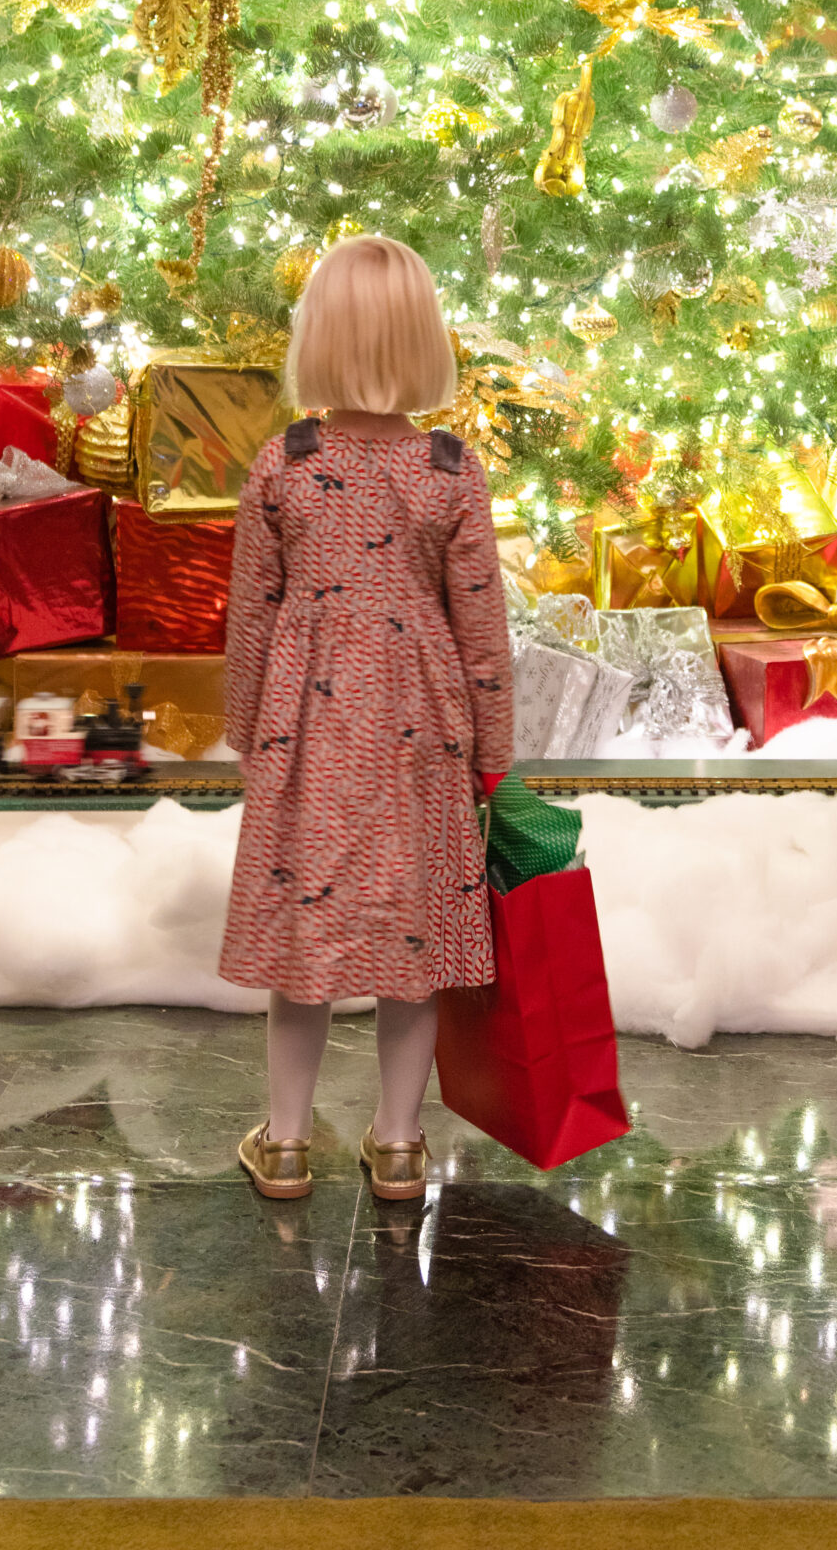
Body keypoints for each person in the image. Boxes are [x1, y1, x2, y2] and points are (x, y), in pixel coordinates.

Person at [220, 234, 514, 1203]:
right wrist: (493, 747)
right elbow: (479, 621)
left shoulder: (285, 462)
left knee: (305, 941)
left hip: (306, 723)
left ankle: (289, 1141)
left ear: (321, 337)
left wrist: (242, 728)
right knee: (415, 937)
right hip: (422, 722)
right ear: (422, 337)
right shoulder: (448, 468)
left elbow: (252, 614)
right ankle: (396, 1143)